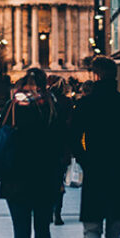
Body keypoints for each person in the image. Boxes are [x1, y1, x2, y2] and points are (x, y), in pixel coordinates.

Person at [70, 57, 120, 238]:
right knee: (115, 234)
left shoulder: (84, 105)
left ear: (95, 76)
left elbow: (72, 139)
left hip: (94, 171)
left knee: (92, 230)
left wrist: (85, 159)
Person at [0, 68, 65, 238]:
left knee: (20, 234)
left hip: (15, 178)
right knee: (43, 231)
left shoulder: (11, 107)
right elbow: (61, 143)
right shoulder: (51, 107)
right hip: (45, 178)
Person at [47, 75, 73, 225]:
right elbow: (71, 125)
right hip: (62, 147)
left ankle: (48, 210)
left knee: (46, 180)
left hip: (45, 149)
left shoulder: (43, 101)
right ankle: (58, 212)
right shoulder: (67, 102)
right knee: (59, 180)